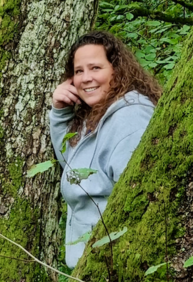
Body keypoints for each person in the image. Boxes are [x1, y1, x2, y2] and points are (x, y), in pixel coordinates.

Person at [49, 31, 162, 269]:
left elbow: (136, 195)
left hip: (112, 266)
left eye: (96, 68)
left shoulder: (130, 116)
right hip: (93, 266)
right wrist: (60, 113)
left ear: (117, 69)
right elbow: (72, 165)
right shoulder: (95, 115)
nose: (86, 78)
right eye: (79, 71)